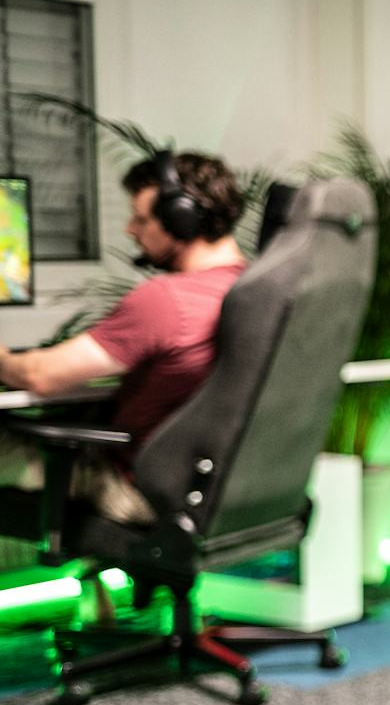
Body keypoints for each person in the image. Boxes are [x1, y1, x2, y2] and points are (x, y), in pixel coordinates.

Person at [0, 152, 247, 526]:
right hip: (207, 490)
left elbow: (40, 375)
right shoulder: (255, 294)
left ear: (181, 218)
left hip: (133, 487)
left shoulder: (168, 300)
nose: (131, 230)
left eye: (141, 219)